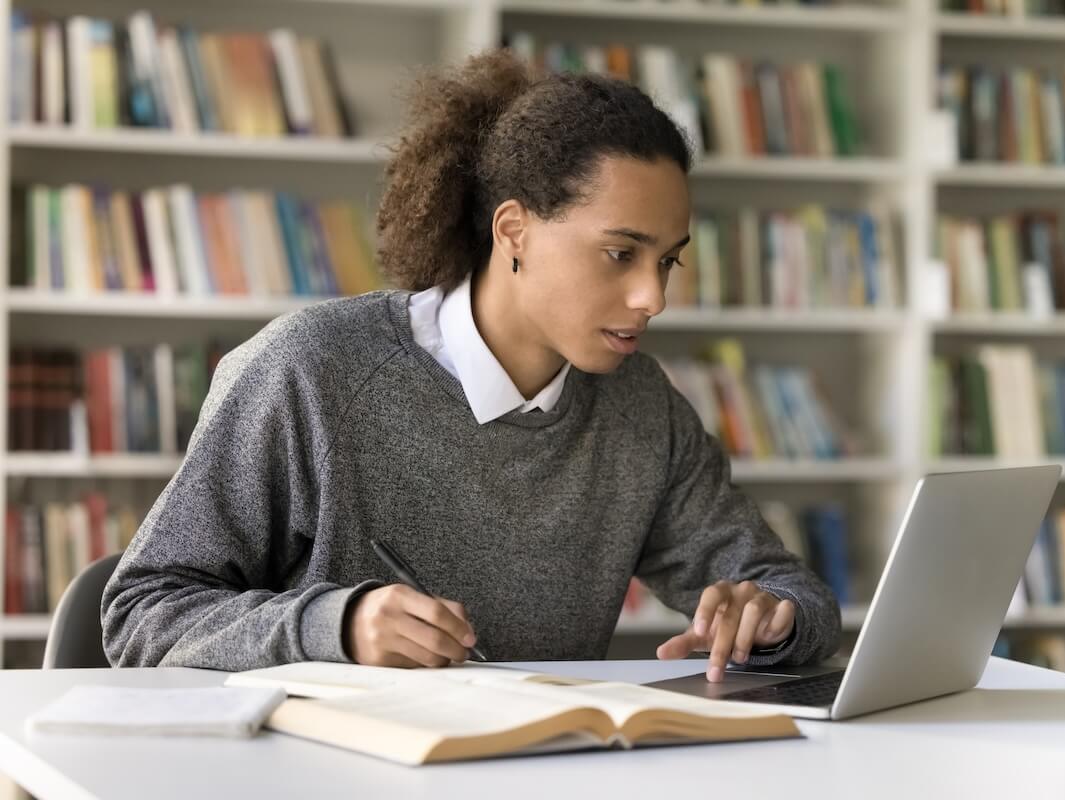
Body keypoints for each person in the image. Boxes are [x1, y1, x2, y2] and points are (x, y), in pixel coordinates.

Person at [101, 49, 840, 683]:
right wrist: (339, 625)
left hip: (540, 770)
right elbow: (141, 613)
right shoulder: (312, 370)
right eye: (621, 254)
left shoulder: (641, 406)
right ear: (514, 231)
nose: (654, 297)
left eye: (668, 261)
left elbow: (791, 593)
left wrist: (770, 618)